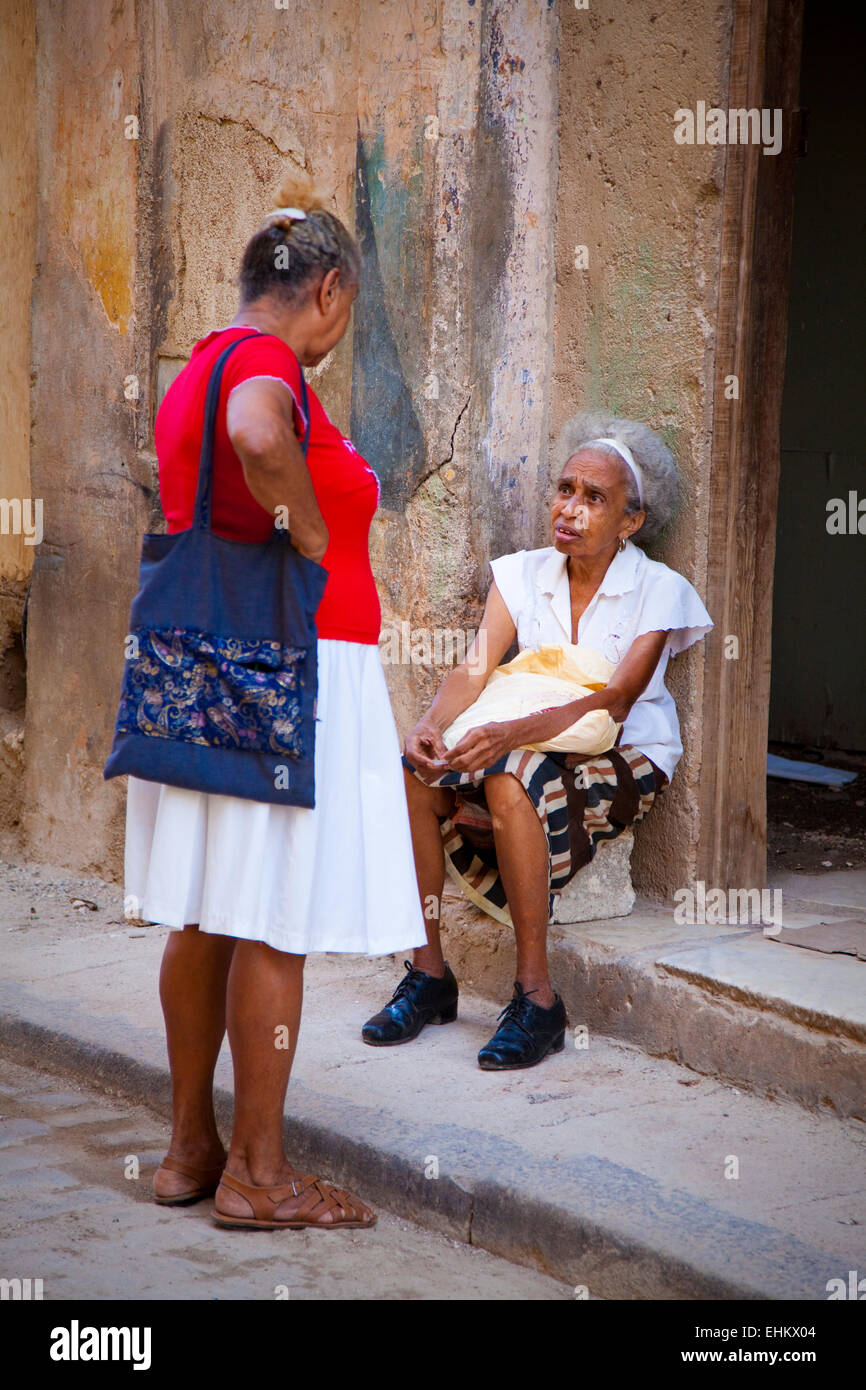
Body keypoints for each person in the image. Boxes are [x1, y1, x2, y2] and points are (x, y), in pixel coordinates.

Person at [125, 176, 427, 1229]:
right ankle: (259, 1176)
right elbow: (259, 442)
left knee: (208, 908)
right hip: (287, 669)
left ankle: (188, 1149)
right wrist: (305, 525)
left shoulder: (198, 365)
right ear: (330, 290)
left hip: (207, 666)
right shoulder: (265, 368)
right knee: (271, 925)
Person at [362, 414, 713, 1070]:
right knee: (413, 771)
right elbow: (474, 669)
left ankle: (538, 999)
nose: (570, 509)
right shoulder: (522, 575)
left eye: (594, 498)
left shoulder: (658, 590)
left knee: (509, 772)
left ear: (631, 522)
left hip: (625, 751)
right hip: (526, 737)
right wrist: (430, 726)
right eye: (565, 489)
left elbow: (618, 698)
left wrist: (509, 736)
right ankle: (429, 973)